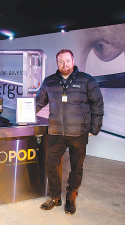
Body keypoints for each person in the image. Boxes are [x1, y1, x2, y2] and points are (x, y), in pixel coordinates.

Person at [36, 49, 104, 215]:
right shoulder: (49, 82)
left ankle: (71, 197)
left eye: (67, 61)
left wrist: (94, 129)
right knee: (51, 165)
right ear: (56, 63)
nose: (64, 65)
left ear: (73, 61)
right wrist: (22, 115)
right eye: (61, 61)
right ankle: (55, 197)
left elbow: (97, 104)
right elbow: (37, 102)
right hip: (56, 133)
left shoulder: (87, 80)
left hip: (78, 134)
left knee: (76, 168)